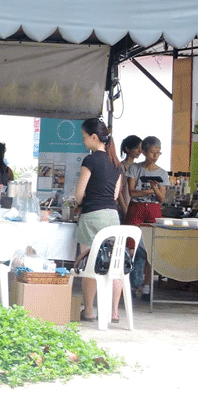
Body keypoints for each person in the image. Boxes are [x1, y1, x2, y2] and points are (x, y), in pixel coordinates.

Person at [74, 118, 123, 322]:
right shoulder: (116, 164)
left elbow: (79, 194)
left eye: (85, 137)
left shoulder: (90, 160)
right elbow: (114, 196)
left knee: (89, 264)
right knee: (115, 265)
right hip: (113, 217)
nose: (83, 141)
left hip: (92, 216)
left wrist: (82, 201)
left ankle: (88, 312)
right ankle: (114, 313)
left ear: (94, 138)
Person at [124, 136, 169, 301]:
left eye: (158, 153)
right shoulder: (135, 169)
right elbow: (131, 192)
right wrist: (153, 191)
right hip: (136, 208)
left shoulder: (162, 173)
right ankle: (129, 284)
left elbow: (162, 198)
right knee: (130, 247)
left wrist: (154, 192)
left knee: (151, 248)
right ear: (144, 152)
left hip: (153, 210)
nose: (155, 156)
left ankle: (147, 287)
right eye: (152, 152)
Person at [117, 135, 143, 217]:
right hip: (123, 207)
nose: (140, 151)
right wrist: (124, 209)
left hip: (136, 208)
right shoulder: (120, 167)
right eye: (136, 148)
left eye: (141, 148)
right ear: (127, 149)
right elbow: (118, 191)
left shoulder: (139, 167)